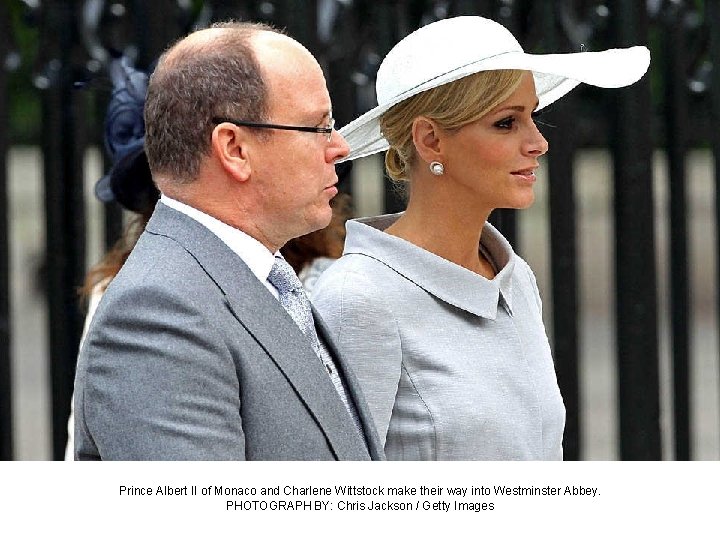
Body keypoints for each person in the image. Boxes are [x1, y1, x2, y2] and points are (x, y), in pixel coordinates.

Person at [312, 16, 650, 460]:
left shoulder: (513, 278)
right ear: (431, 140)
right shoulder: (357, 299)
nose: (538, 143)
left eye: (532, 117)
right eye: (507, 123)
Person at [73, 21, 384, 460]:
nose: (339, 147)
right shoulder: (158, 312)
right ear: (235, 149)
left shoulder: (257, 277)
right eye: (318, 127)